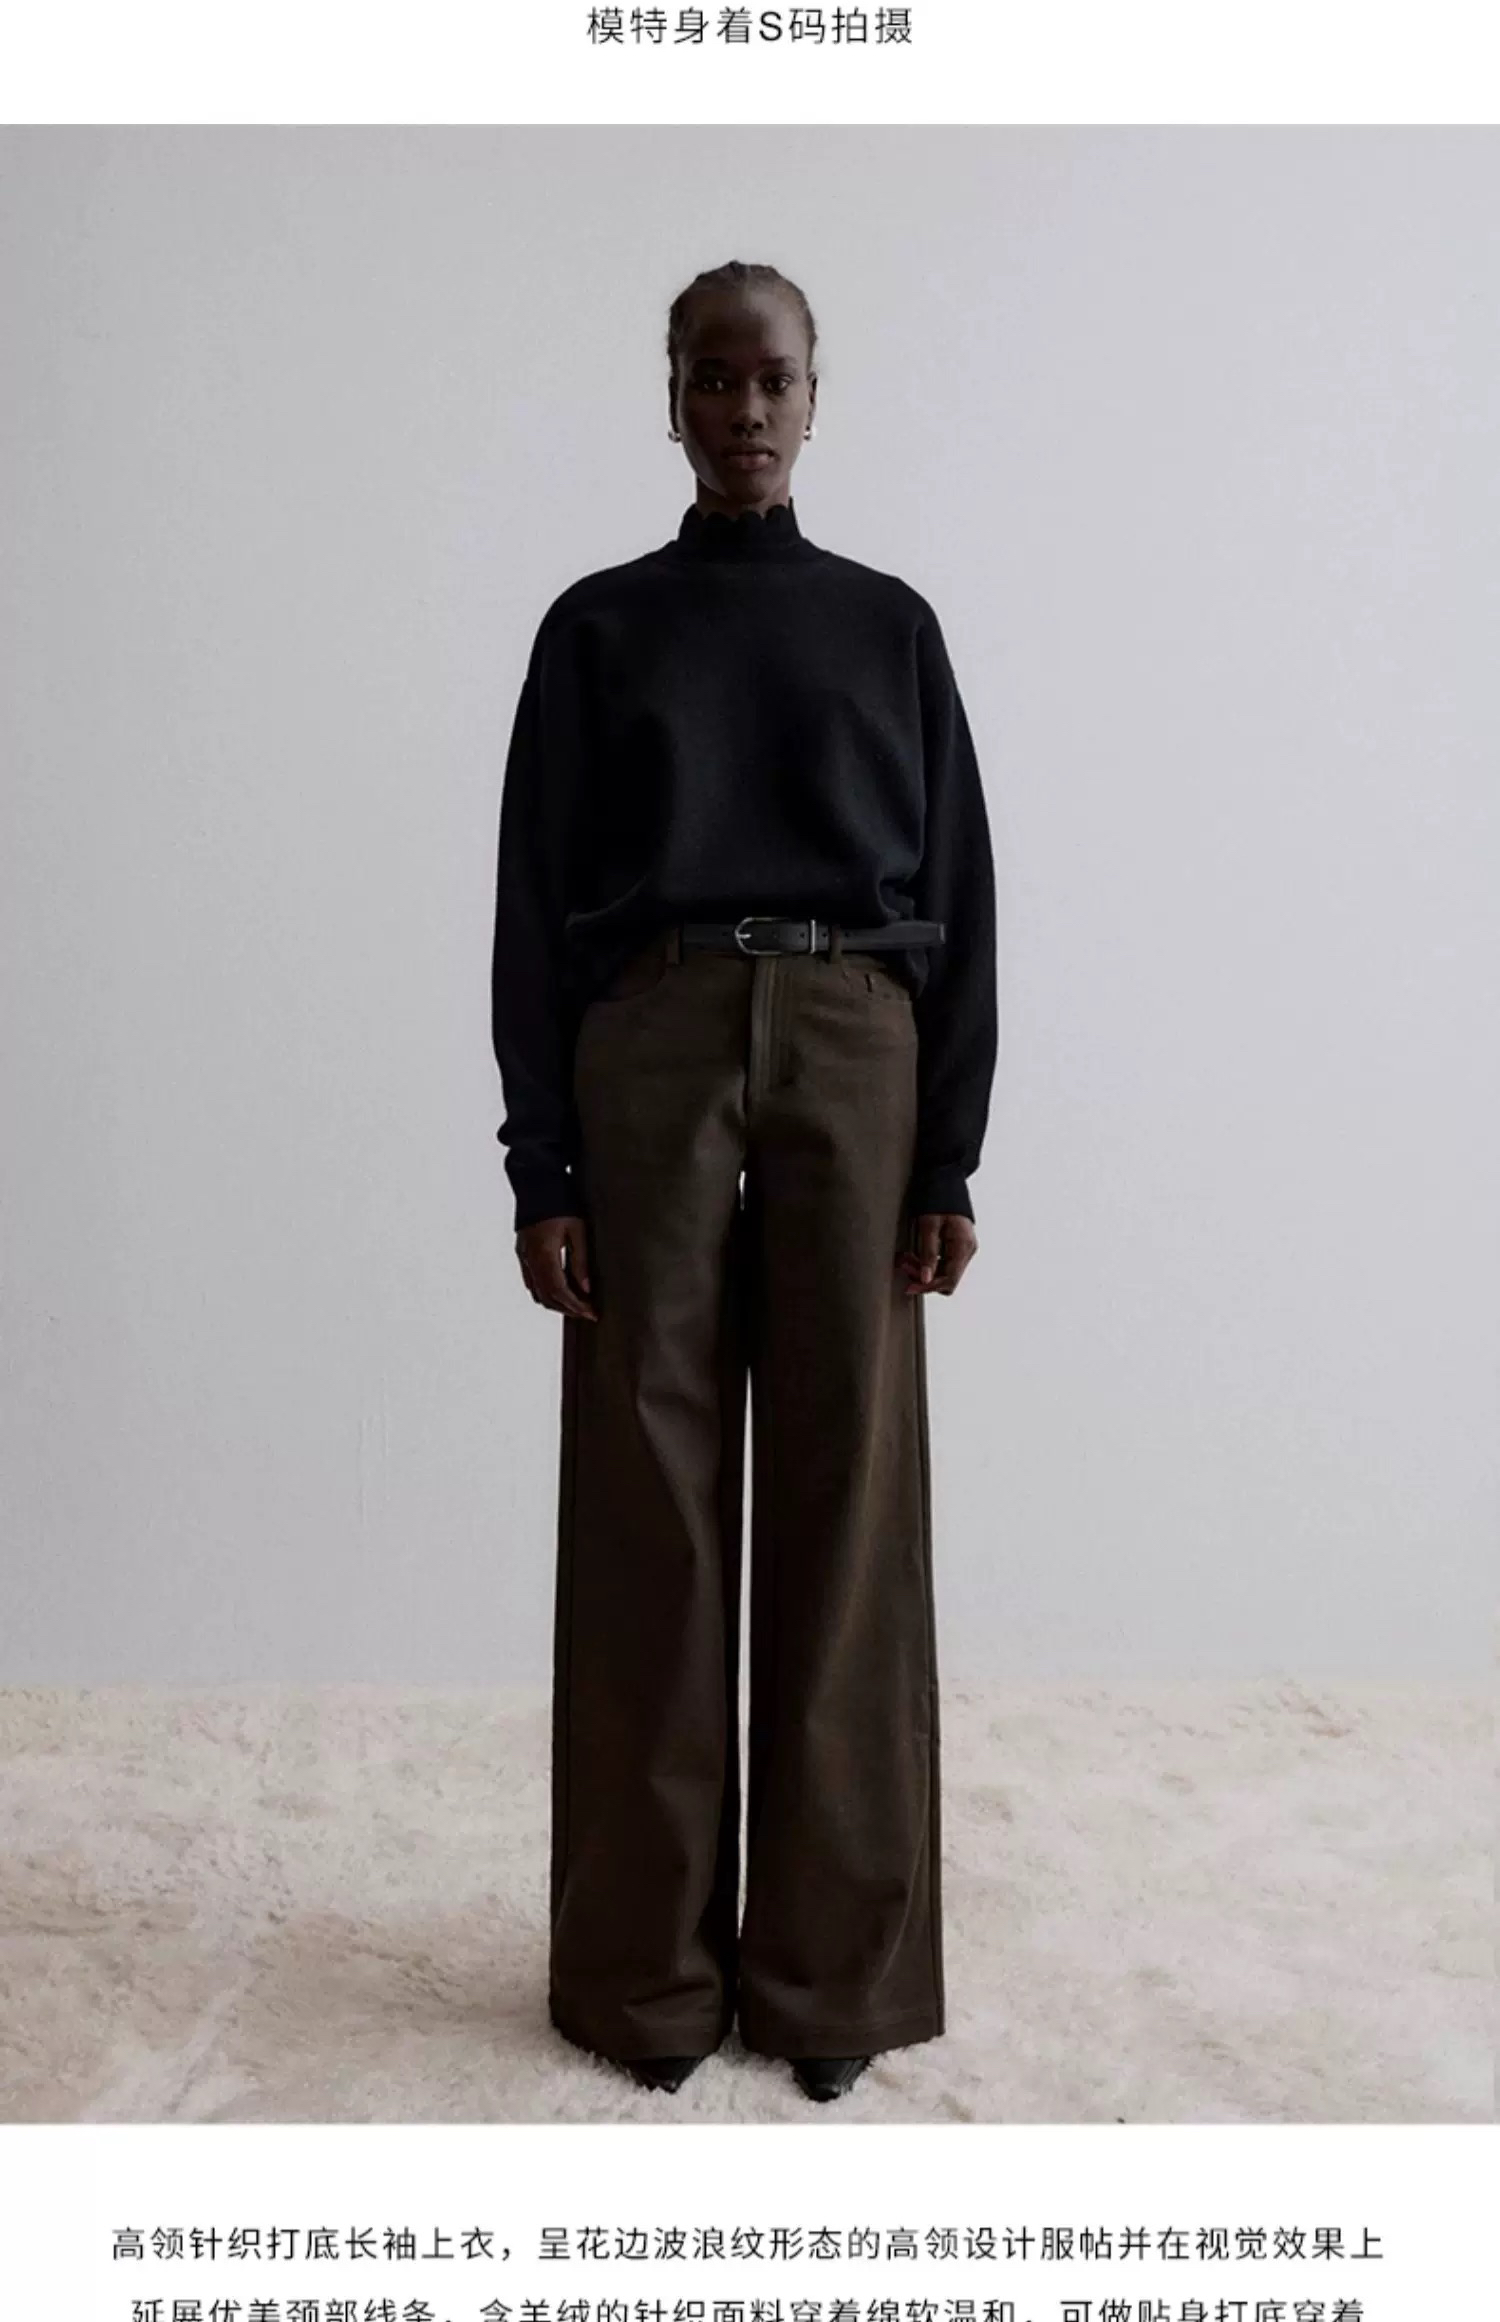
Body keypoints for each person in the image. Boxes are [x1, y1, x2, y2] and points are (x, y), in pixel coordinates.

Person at [490, 259, 998, 2105]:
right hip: (652, 1034)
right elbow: (531, 900)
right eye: (715, 379)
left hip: (859, 1038)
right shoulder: (599, 627)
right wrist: (540, 1158)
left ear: (815, 393)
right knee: (650, 1497)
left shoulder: (889, 627)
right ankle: (644, 1976)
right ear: (674, 399)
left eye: (774, 377)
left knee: (848, 1497)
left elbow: (966, 891)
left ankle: (829, 1972)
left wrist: (949, 1150)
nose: (747, 410)